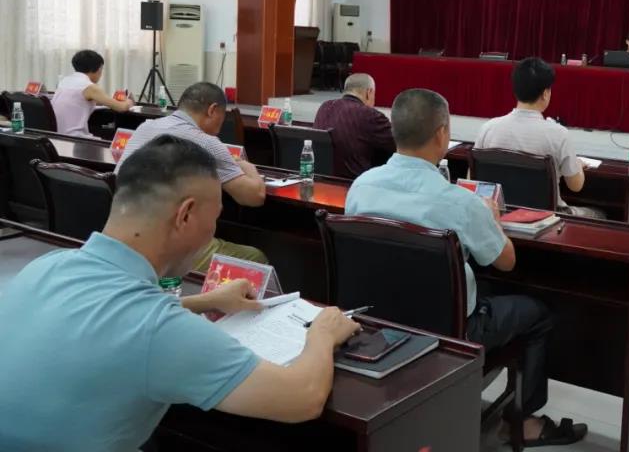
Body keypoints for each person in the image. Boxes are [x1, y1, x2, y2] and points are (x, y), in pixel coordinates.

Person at [0, 136, 360, 452]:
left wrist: (206, 301)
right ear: (186, 215)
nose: (213, 230)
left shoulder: (48, 266)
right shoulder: (158, 328)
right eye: (215, 217)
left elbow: (103, 320)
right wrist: (322, 332)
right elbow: (302, 397)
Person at [345, 89, 587, 447]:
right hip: (451, 329)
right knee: (538, 314)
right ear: (442, 133)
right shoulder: (460, 203)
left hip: (378, 318)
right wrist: (493, 221)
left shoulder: (360, 187)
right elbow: (506, 261)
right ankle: (524, 422)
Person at [118, 81, 268, 271]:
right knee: (255, 258)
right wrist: (248, 167)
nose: (220, 127)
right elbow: (254, 196)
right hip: (164, 247)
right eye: (222, 118)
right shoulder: (206, 142)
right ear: (213, 110)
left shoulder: (145, 128)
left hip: (123, 238)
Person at [475, 57, 604, 218]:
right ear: (545, 94)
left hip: (500, 214)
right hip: (548, 219)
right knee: (600, 215)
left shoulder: (487, 129)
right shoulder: (559, 134)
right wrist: (576, 164)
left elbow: (473, 180)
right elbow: (576, 186)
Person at [313, 73, 395, 178]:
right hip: (355, 182)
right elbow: (400, 143)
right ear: (369, 93)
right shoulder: (369, 115)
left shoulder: (325, 107)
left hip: (322, 179)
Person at [52, 49, 135, 137]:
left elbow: (78, 100)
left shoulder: (64, 81)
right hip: (77, 137)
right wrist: (129, 101)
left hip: (57, 136)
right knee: (112, 136)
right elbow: (121, 107)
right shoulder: (89, 87)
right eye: (101, 69)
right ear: (97, 69)